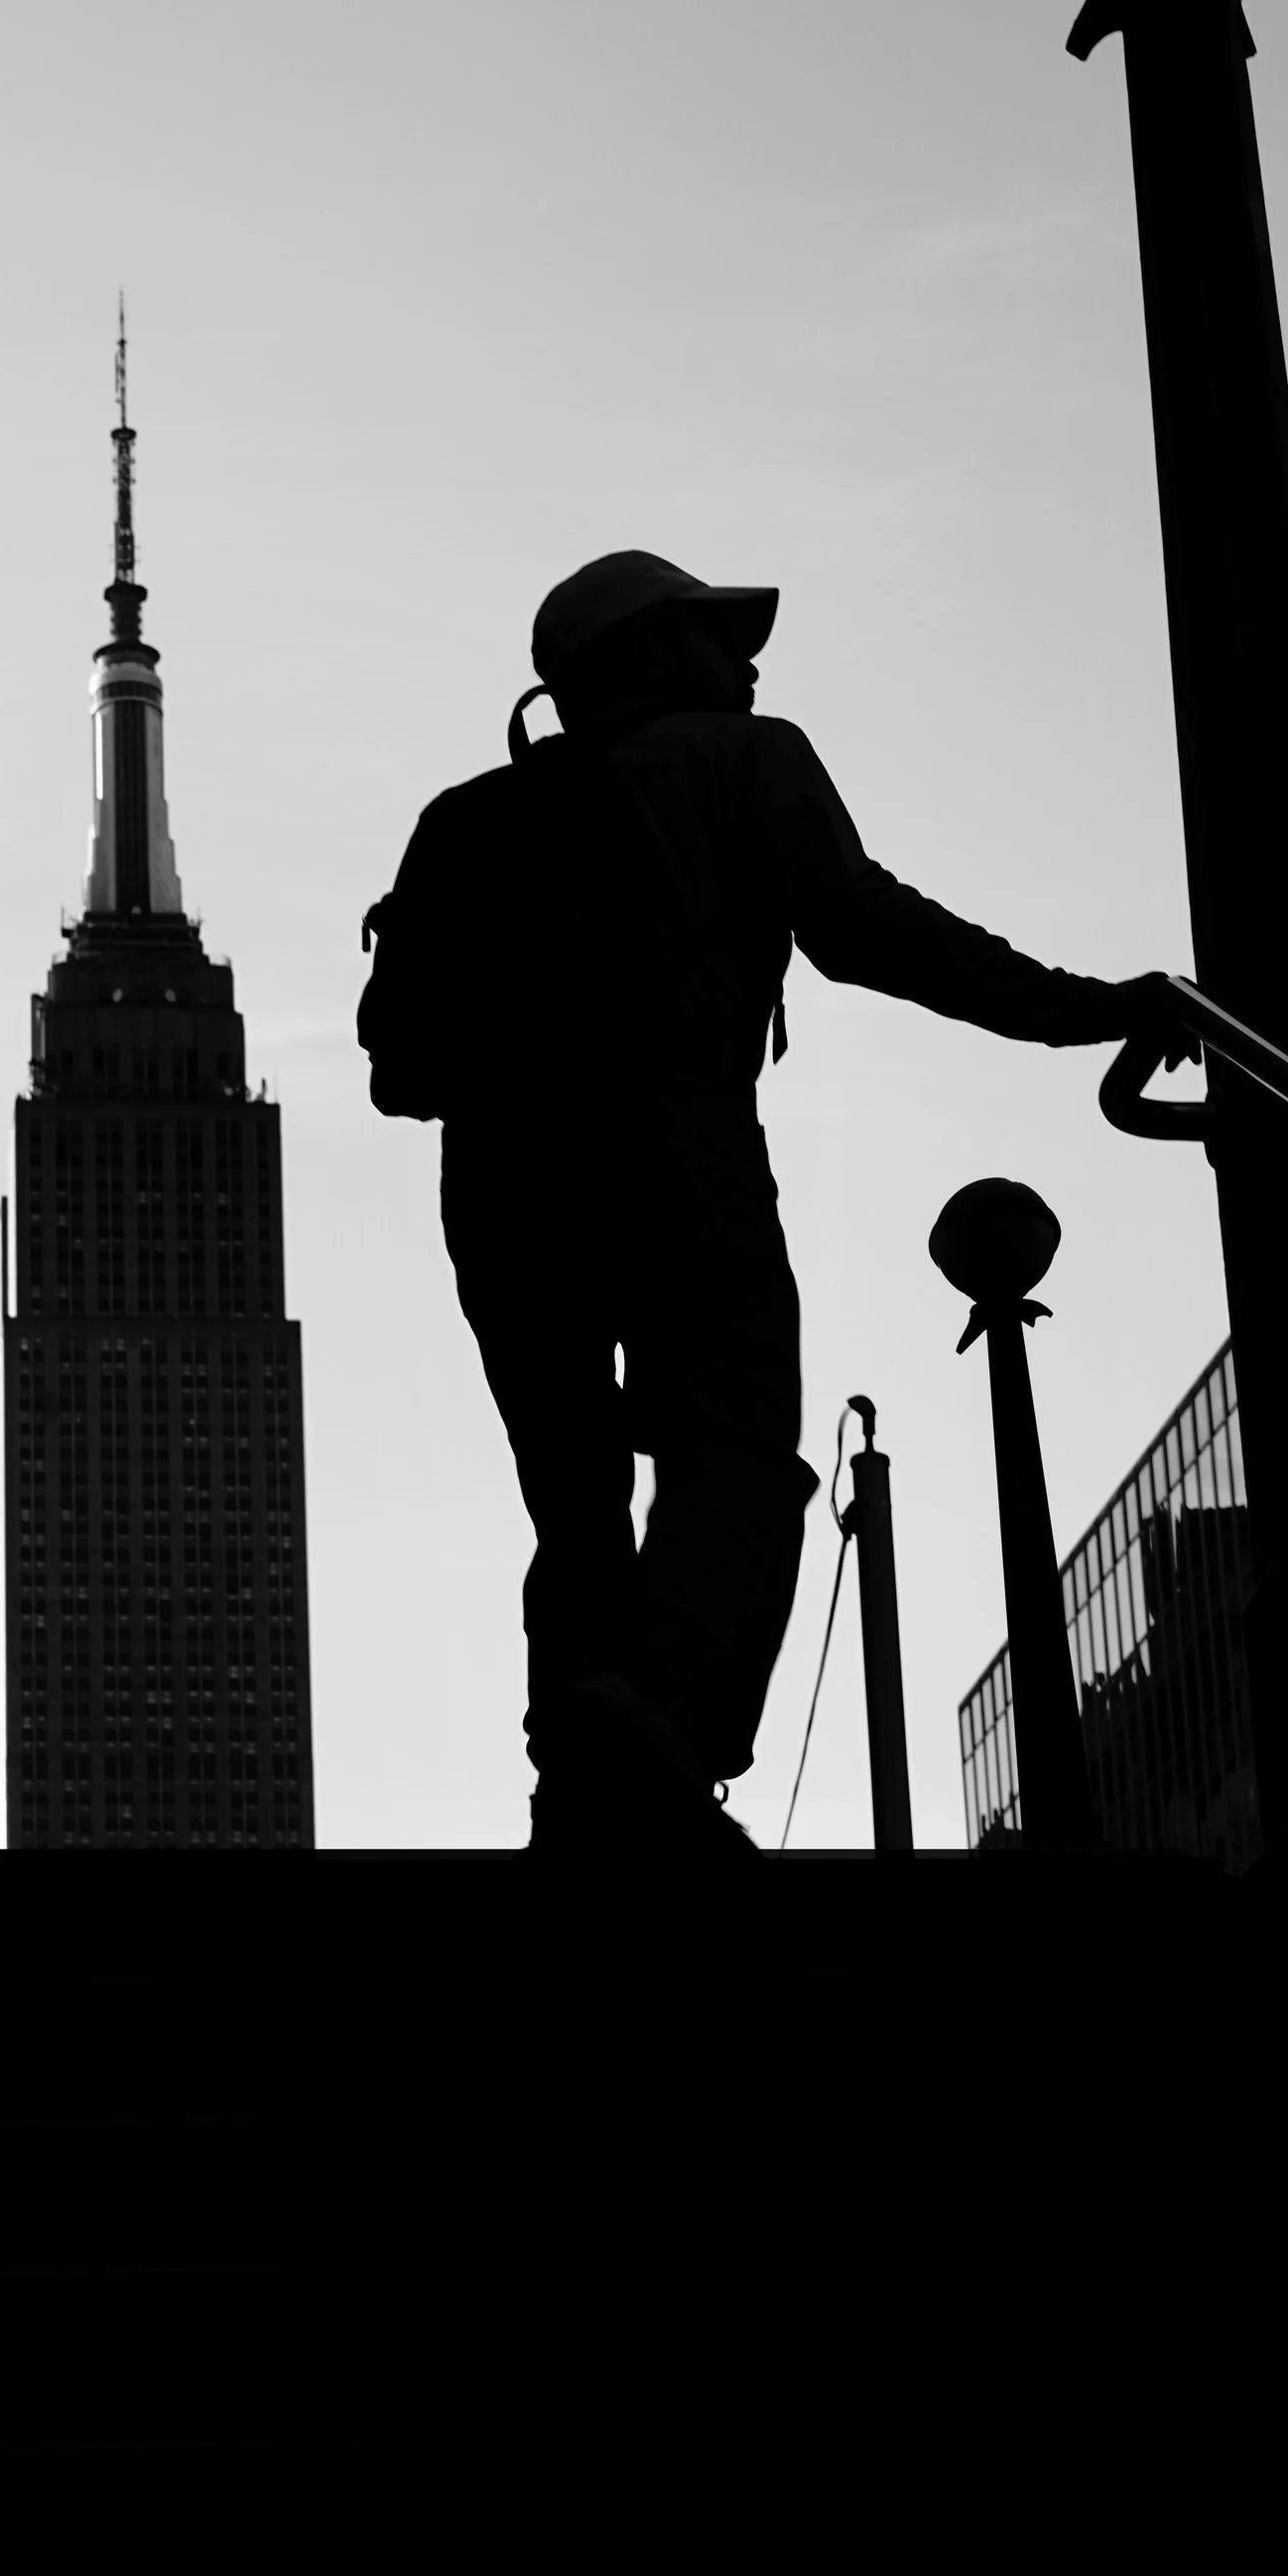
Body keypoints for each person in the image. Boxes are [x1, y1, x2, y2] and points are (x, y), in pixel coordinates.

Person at [360, 549, 1193, 1850]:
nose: (745, 659)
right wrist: (1081, 1008)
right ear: (639, 659)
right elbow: (870, 931)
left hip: (502, 1177)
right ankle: (660, 1727)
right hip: (673, 1131)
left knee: (573, 1497)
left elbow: (398, 1066)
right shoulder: (743, 759)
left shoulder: (474, 818)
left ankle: (584, 1798)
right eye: (708, 634)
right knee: (738, 1442)